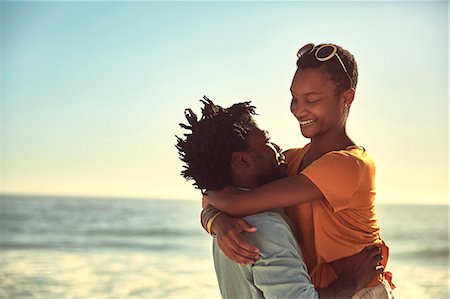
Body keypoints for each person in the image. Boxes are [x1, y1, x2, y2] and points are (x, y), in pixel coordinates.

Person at [202, 43, 395, 298]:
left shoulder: (349, 165)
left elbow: (235, 200)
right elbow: (226, 189)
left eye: (312, 100)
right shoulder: (294, 161)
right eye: (294, 98)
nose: (299, 109)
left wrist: (216, 212)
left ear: (346, 98)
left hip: (359, 291)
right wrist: (217, 220)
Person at [176, 97, 384, 298]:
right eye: (267, 141)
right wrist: (352, 281)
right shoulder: (262, 229)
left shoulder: (226, 223)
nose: (278, 149)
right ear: (242, 160)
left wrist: (213, 219)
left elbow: (210, 199)